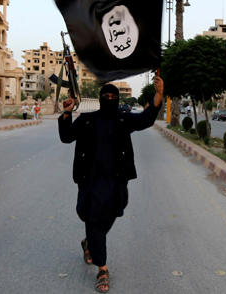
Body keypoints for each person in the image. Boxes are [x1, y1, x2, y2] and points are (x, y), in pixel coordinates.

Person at [58, 76, 164, 293]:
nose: (109, 99)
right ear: (100, 99)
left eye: (113, 96)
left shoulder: (123, 119)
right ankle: (102, 268)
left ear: (117, 99)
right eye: (106, 96)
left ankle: (90, 242)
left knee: (114, 212)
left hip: (117, 180)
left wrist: (159, 95)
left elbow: (146, 119)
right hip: (90, 181)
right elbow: (67, 136)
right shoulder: (87, 119)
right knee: (93, 219)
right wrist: (67, 113)